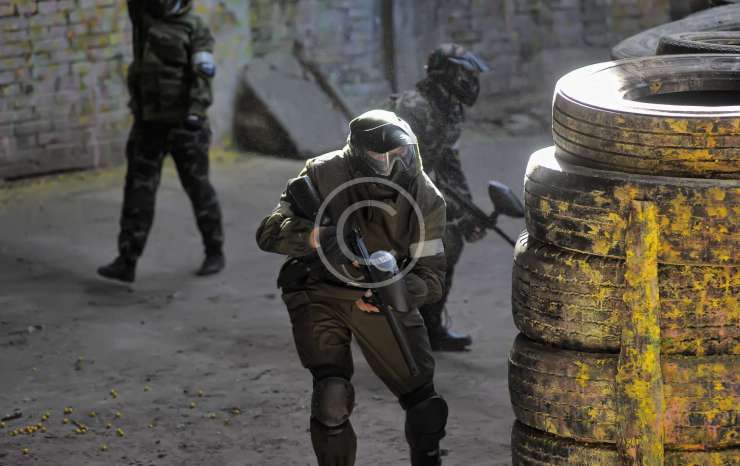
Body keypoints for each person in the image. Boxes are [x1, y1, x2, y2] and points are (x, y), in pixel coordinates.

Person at [256, 110, 449, 466]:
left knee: (426, 408)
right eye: (380, 155)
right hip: (320, 289)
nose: (392, 163)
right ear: (359, 153)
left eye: (400, 153)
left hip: (380, 295)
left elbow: (432, 277)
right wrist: (317, 237)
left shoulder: (425, 197)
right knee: (331, 399)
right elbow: (268, 232)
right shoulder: (322, 172)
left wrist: (397, 290)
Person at [98, 0, 224, 283]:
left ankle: (214, 251)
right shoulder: (144, 17)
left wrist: (196, 112)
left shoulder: (194, 27)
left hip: (185, 125)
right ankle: (127, 261)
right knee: (138, 191)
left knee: (198, 189)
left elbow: (203, 74)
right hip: (148, 124)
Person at [387, 43, 490, 351]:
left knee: (451, 240)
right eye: (465, 74)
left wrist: (467, 210)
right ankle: (399, 326)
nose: (471, 82)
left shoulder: (451, 109)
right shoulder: (412, 108)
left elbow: (448, 163)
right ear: (446, 73)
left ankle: (430, 327)